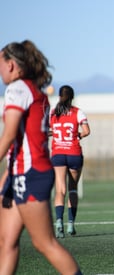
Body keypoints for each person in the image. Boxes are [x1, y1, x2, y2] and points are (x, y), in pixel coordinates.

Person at [0, 40, 82, 274]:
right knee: (6, 241)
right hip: (19, 171)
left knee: (44, 243)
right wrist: (7, 176)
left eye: (0, 64)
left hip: (31, 173)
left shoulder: (17, 89)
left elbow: (8, 136)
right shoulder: (32, 89)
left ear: (13, 65)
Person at [50, 85, 90, 238]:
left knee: (60, 190)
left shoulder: (53, 112)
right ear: (72, 97)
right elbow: (86, 131)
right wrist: (77, 135)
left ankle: (59, 222)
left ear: (59, 96)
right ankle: (71, 225)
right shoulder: (78, 112)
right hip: (74, 154)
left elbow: (48, 130)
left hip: (58, 154)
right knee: (73, 189)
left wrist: (54, 135)